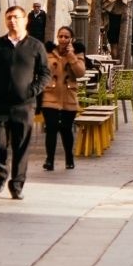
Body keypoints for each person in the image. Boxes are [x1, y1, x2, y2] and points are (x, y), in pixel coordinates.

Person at [0, 5, 46, 198]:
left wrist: (32, 90)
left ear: (25, 20)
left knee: (21, 147)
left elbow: (45, 74)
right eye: (8, 18)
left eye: (16, 17)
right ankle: (2, 170)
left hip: (24, 106)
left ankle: (17, 185)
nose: (12, 21)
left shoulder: (36, 46)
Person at [41, 26, 88, 171]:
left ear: (71, 39)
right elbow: (42, 70)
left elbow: (80, 73)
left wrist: (71, 57)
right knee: (51, 127)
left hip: (69, 96)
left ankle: (69, 157)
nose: (63, 39)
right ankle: (49, 159)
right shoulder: (48, 53)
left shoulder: (77, 53)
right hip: (50, 95)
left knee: (66, 129)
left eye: (66, 37)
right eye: (60, 36)